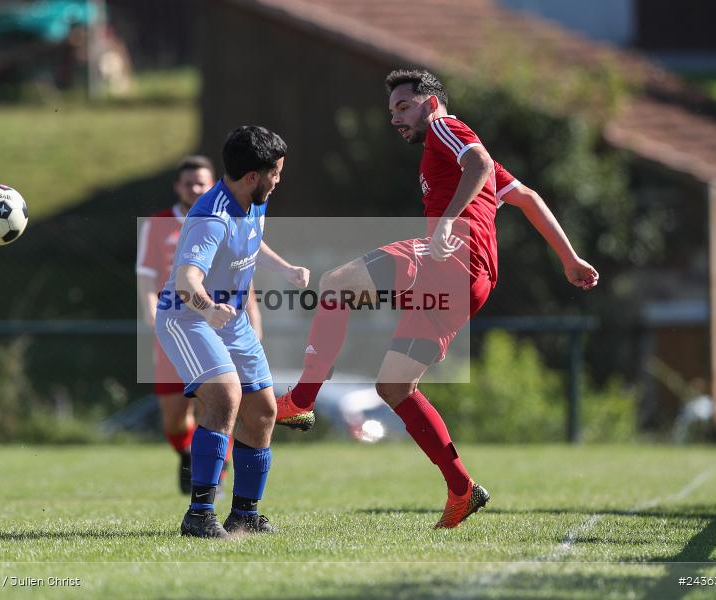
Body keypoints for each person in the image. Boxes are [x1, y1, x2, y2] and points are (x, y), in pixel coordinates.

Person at [275, 69, 599, 528]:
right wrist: (569, 258)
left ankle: (303, 398)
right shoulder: (449, 149)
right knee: (393, 387)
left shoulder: (446, 128)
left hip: (454, 259)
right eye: (391, 111)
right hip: (473, 281)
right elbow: (525, 196)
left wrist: (447, 221)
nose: (395, 119)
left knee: (335, 284)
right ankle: (462, 489)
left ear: (430, 104)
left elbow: (480, 166)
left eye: (402, 107)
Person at [155, 126, 310, 538]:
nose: (279, 180)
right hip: (189, 317)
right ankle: (200, 515)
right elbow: (187, 281)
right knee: (225, 397)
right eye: (275, 173)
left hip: (232, 319)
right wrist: (209, 310)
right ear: (253, 176)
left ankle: (244, 514)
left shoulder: (252, 201)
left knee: (263, 412)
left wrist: (286, 269)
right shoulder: (211, 217)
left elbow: (253, 243)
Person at [137, 156, 262, 494]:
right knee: (175, 416)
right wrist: (151, 315)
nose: (195, 188)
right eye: (188, 183)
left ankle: (214, 476)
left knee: (224, 401)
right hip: (177, 324)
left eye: (201, 183)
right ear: (178, 187)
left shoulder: (225, 216)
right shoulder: (159, 223)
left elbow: (244, 280)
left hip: (220, 325)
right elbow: (147, 277)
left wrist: (254, 326)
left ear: (212, 185)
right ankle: (187, 452)